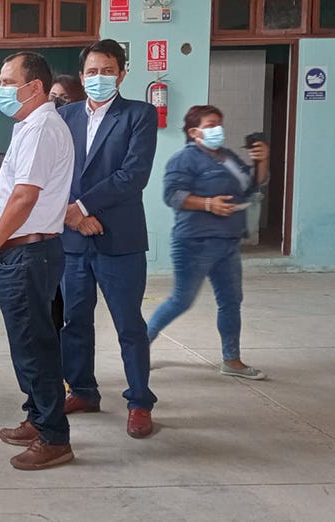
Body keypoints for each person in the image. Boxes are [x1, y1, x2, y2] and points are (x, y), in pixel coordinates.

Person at [0, 51, 75, 471]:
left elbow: (24, 196)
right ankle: (37, 417)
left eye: (6, 81)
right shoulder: (29, 126)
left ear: (34, 87)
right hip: (22, 251)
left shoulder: (41, 129)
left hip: (28, 254)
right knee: (27, 342)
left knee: (35, 346)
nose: (0, 89)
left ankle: (54, 437)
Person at [57, 39, 159, 439]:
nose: (100, 78)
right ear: (82, 77)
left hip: (121, 240)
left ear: (122, 72)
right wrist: (74, 214)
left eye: (107, 70)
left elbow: (133, 175)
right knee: (74, 320)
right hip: (73, 240)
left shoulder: (139, 115)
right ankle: (82, 390)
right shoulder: (64, 117)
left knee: (129, 324)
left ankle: (139, 401)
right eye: (92, 72)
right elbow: (53, 171)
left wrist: (82, 207)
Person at [147, 105, 269, 380]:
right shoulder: (184, 159)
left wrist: (263, 160)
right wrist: (208, 204)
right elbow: (173, 195)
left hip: (228, 242)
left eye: (219, 124)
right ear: (194, 131)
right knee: (181, 300)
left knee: (231, 300)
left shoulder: (228, 157)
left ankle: (232, 359)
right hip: (195, 242)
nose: (218, 130)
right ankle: (139, 346)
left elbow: (252, 186)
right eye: (211, 124)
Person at [45, 74, 85, 332]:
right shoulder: (41, 131)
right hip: (46, 232)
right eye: (53, 98)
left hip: (75, 230)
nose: (58, 104)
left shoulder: (81, 135)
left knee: (73, 309)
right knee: (48, 304)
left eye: (65, 99)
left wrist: (77, 210)